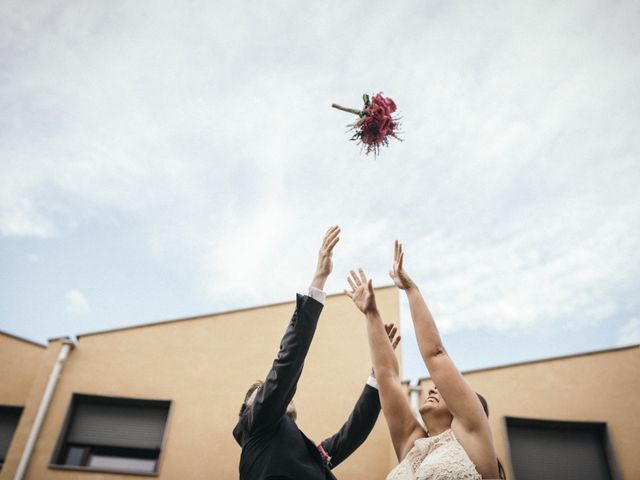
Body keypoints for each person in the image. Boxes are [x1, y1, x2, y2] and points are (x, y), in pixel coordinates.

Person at [232, 226, 400, 480]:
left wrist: (379, 374)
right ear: (248, 409)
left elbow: (352, 434)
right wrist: (319, 279)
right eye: (263, 391)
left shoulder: (307, 453)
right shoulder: (256, 425)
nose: (270, 389)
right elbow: (286, 363)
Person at [345, 241, 504, 479]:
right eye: (436, 386)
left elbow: (436, 354)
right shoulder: (412, 445)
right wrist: (371, 314)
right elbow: (386, 377)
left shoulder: (473, 440)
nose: (434, 387)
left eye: (442, 389)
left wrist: (411, 290)